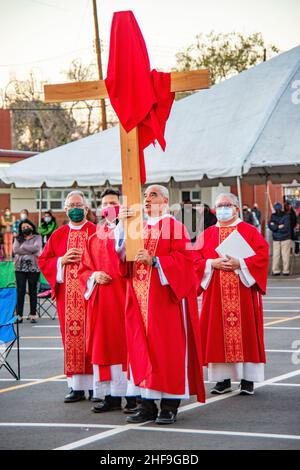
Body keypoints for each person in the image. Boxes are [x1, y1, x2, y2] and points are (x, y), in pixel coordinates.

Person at [116, 185, 205, 425]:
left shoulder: (175, 227)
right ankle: (146, 405)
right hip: (138, 299)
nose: (146, 199)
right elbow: (121, 259)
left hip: (164, 301)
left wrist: (156, 261)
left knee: (166, 351)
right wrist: (121, 227)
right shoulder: (139, 227)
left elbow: (188, 262)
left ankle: (169, 405)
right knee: (140, 348)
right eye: (145, 195)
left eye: (152, 195)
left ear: (165, 201)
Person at [194, 193, 269, 396]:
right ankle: (222, 379)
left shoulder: (249, 231)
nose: (222, 209)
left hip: (243, 292)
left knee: (246, 333)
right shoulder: (207, 234)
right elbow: (194, 259)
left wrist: (241, 263)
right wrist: (211, 263)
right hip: (216, 294)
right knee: (217, 333)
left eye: (227, 205)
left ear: (236, 208)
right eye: (219, 206)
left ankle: (248, 380)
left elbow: (262, 256)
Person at [78, 188, 137, 414]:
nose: (109, 206)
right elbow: (84, 268)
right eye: (105, 203)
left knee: (125, 346)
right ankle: (111, 396)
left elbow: (122, 254)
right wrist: (94, 276)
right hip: (101, 299)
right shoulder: (94, 236)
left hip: (123, 297)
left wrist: (123, 225)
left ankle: (131, 396)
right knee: (104, 345)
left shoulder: (131, 232)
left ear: (120, 206)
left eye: (113, 202)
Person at [38, 191, 96, 403]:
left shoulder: (96, 231)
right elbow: (44, 260)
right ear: (65, 209)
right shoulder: (59, 234)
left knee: (93, 339)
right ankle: (76, 387)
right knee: (71, 338)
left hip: (91, 295)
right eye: (71, 205)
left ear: (87, 209)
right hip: (67, 297)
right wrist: (61, 261)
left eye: (79, 205)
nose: (75, 208)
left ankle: (96, 387)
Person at [13, 219, 42, 323]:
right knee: (20, 291)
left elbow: (37, 248)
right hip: (19, 268)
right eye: (23, 227)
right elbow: (16, 250)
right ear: (21, 229)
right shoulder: (17, 238)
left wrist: (24, 246)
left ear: (31, 226)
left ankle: (33, 314)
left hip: (34, 267)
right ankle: (19, 315)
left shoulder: (37, 237)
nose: (25, 228)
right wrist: (31, 250)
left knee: (32, 291)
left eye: (27, 226)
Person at [268, 202, 291, 276]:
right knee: (285, 255)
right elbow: (285, 228)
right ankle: (285, 271)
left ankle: (276, 271)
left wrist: (275, 227)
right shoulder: (286, 216)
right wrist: (279, 226)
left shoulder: (273, 216)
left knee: (276, 255)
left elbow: (272, 226)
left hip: (277, 238)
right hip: (285, 238)